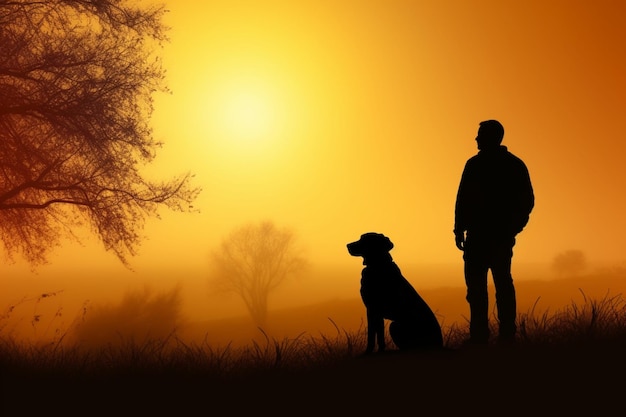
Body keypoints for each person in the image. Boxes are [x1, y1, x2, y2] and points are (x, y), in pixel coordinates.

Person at [454, 120, 534, 344]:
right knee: (481, 287)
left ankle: (502, 335)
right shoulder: (482, 164)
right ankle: (485, 335)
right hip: (481, 237)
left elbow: (526, 201)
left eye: (480, 134)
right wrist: (459, 228)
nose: (476, 139)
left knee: (498, 285)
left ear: (491, 137)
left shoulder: (509, 165)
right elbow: (463, 199)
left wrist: (512, 228)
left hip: (493, 237)